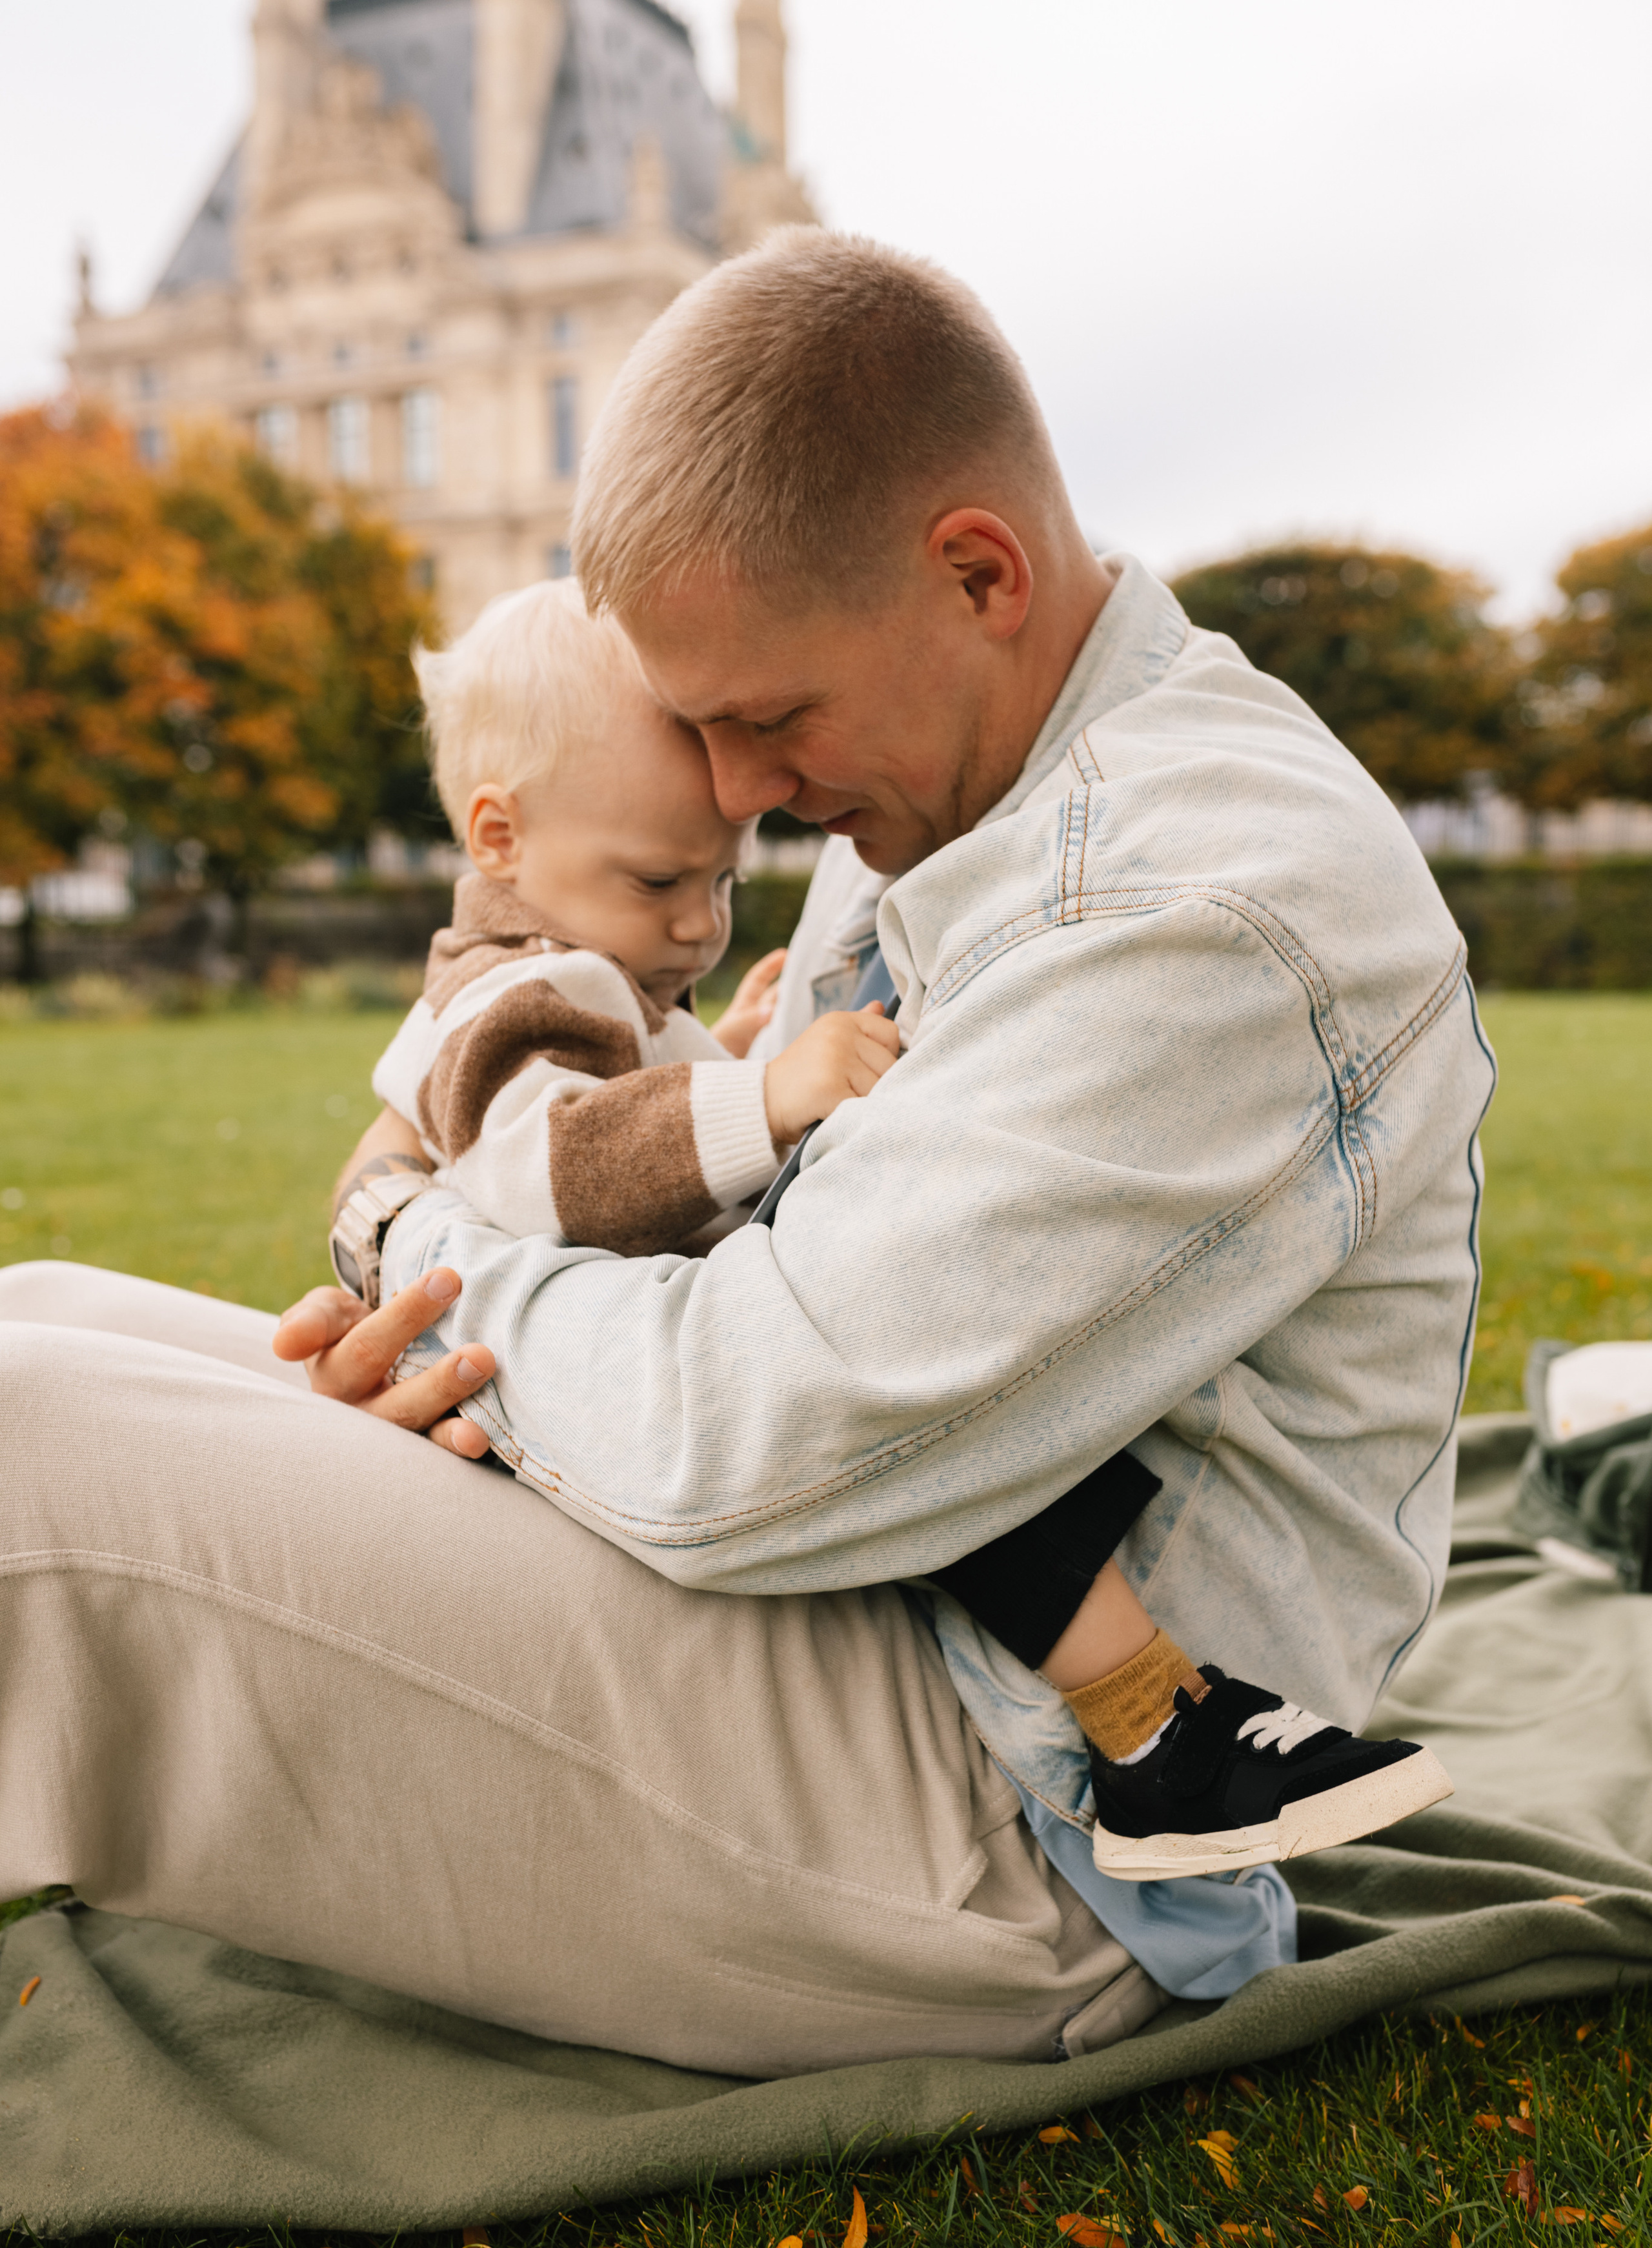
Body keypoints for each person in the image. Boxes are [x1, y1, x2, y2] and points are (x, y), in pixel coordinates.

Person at [0, 230, 1492, 2072]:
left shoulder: (1198, 904)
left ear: (976, 572)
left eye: (762, 722)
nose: (730, 801)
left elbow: (731, 1442)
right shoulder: (952, 776)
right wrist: (480, 1374)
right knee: (41, 1312)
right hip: (845, 1610)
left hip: (1001, 1819)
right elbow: (713, 1229)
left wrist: (409, 1243)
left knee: (23, 1449)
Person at [343, 571, 1451, 1896]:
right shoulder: (520, 987)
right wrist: (758, 1088)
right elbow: (558, 1156)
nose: (699, 921)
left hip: (660, 1371)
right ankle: (1156, 1730)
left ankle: (1163, 1724)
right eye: (661, 879)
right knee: (978, 1478)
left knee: (980, 1451)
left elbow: (603, 1113)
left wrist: (722, 1041)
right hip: (642, 1393)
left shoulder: (599, 969)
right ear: (499, 838)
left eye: (719, 884)